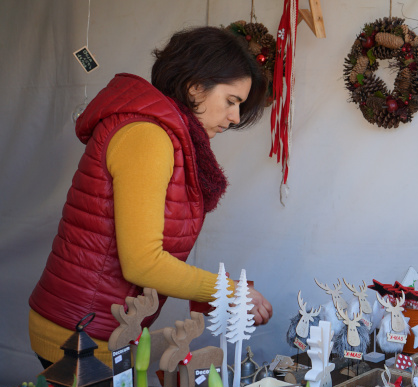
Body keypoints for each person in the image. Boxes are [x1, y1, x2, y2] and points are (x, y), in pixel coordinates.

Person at [28, 27, 273, 367]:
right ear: (194, 86)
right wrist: (230, 291)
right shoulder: (148, 136)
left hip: (101, 326)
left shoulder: (165, 134)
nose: (234, 118)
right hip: (80, 332)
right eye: (231, 101)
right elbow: (143, 263)